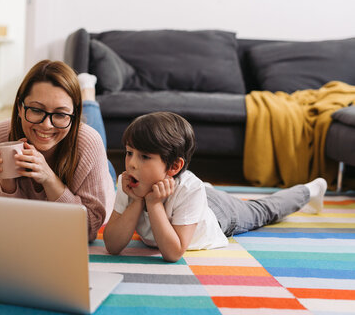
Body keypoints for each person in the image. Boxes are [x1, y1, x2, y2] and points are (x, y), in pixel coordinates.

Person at [103, 112, 327, 262]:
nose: (131, 163)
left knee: (263, 211)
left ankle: (311, 189)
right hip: (192, 198)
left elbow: (173, 253)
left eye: (144, 157)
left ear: (173, 166)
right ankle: (208, 191)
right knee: (199, 191)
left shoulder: (189, 188)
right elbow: (113, 246)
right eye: (129, 152)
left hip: (219, 215)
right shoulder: (129, 182)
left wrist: (153, 203)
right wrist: (138, 200)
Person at [0, 60, 115, 242]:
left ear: (74, 115)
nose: (46, 125)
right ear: (20, 108)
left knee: (92, 134)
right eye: (37, 110)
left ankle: (88, 92)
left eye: (61, 114)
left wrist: (49, 178)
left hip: (101, 172)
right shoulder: (0, 136)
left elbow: (88, 230)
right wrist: (6, 181)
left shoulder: (89, 143)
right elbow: (1, 223)